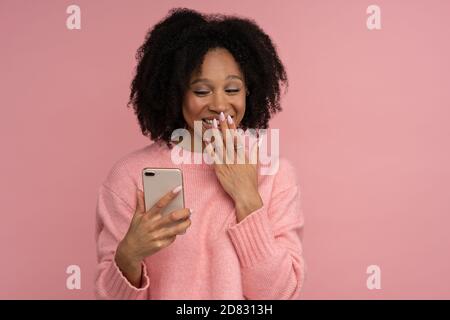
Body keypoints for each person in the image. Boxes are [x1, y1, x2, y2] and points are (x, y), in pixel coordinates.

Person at [95, 7, 306, 300]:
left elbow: (278, 294)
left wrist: (247, 197)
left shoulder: (276, 173)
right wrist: (129, 256)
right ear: (174, 93)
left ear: (250, 91)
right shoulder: (130, 176)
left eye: (232, 89)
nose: (220, 104)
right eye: (202, 91)